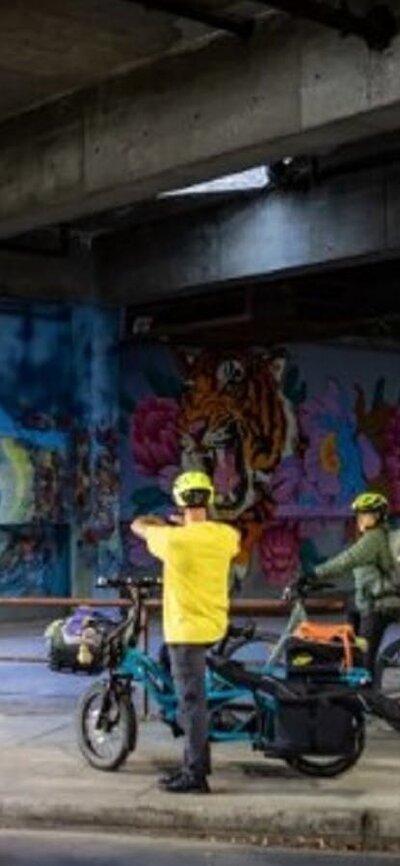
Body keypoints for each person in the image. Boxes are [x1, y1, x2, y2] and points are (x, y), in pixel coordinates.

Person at [131, 471, 240, 794]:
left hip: (186, 631)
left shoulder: (172, 540)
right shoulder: (224, 535)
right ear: (208, 499)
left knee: (192, 702)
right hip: (214, 625)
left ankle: (196, 773)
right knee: (169, 667)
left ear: (179, 500)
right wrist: (188, 525)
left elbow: (138, 527)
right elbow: (221, 536)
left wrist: (158, 523)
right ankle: (184, 722)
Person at [309, 491, 400, 674]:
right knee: (352, 611)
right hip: (371, 598)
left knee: (365, 655)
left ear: (377, 516)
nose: (360, 518)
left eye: (365, 514)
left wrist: (313, 573)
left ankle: (365, 694)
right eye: (359, 514)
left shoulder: (373, 539)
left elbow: (346, 560)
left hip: (378, 604)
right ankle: (352, 669)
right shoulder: (375, 536)